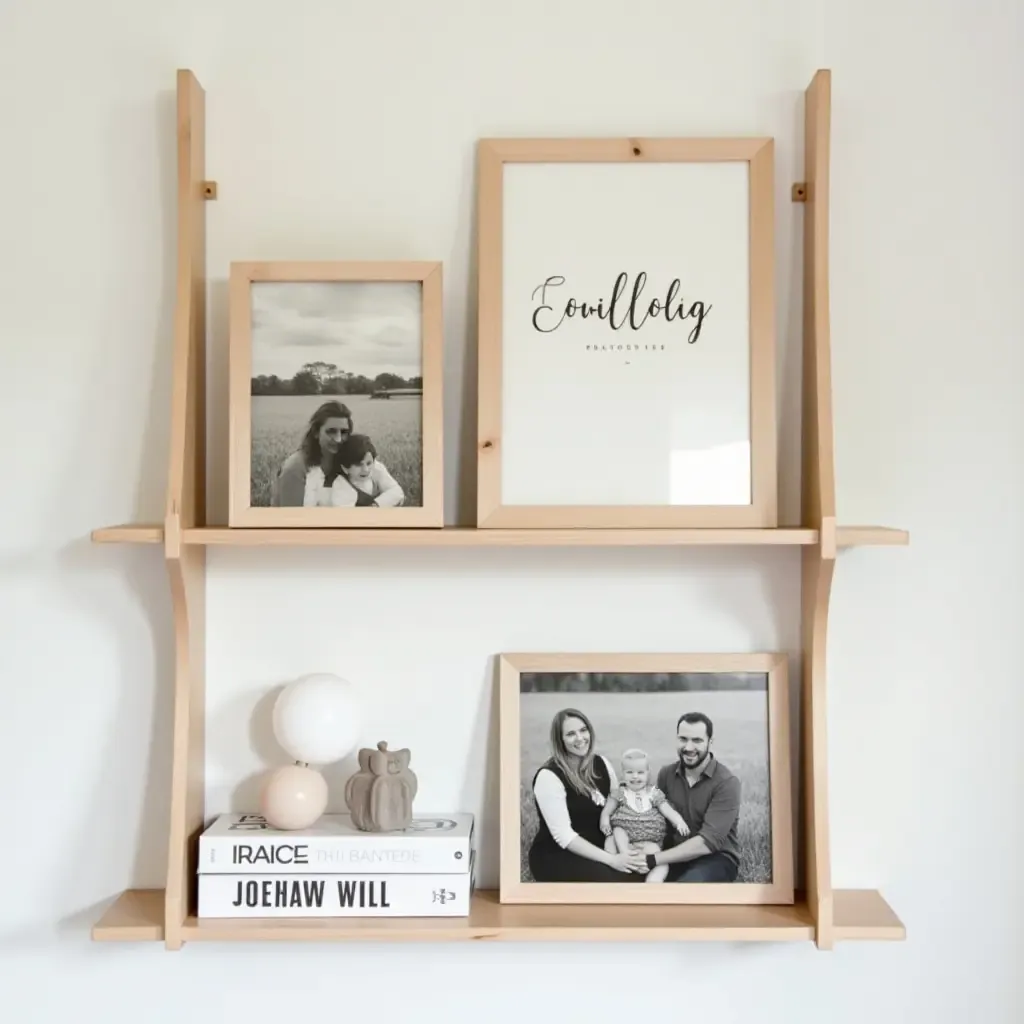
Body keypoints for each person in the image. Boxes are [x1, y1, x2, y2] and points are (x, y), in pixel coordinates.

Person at [527, 708, 648, 882]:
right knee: (612, 882)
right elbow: (564, 836)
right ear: (560, 740)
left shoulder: (601, 763)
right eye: (570, 734)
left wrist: (627, 848)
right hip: (559, 855)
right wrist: (613, 860)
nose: (580, 738)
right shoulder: (549, 776)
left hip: (601, 845)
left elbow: (617, 808)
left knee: (646, 866)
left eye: (583, 730)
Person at [646, 712, 742, 883]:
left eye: (697, 740)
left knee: (685, 889)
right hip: (673, 853)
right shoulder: (666, 774)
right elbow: (657, 820)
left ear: (710, 742)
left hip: (716, 858)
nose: (689, 747)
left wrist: (653, 859)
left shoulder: (727, 783)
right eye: (683, 739)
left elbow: (707, 843)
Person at [598, 748, 690, 883]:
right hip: (623, 842)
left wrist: (679, 822)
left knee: (661, 860)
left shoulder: (654, 794)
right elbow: (607, 811)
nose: (635, 776)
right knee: (614, 836)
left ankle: (652, 884)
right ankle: (623, 860)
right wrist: (604, 822)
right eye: (630, 772)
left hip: (647, 843)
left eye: (640, 772)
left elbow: (668, 810)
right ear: (623, 774)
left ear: (648, 774)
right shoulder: (619, 793)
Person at [271, 401, 353, 507]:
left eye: (344, 432)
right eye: (331, 431)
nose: (338, 439)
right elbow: (290, 519)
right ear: (316, 432)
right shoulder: (295, 469)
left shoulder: (348, 464)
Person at [305, 433, 404, 508]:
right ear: (345, 468)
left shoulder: (376, 468)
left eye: (369, 463)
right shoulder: (341, 486)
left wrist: (376, 505)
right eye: (358, 465)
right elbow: (345, 518)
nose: (365, 469)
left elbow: (397, 492)